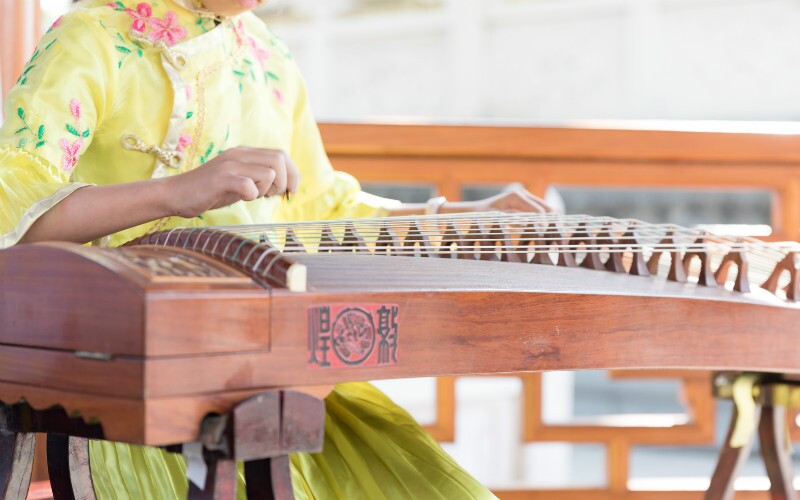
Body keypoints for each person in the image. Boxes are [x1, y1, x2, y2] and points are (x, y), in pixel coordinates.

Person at [0, 0, 550, 497]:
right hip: (137, 387)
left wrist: (463, 218)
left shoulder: (264, 49)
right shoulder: (91, 35)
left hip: (273, 368)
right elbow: (15, 218)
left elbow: (324, 211)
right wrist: (175, 191)